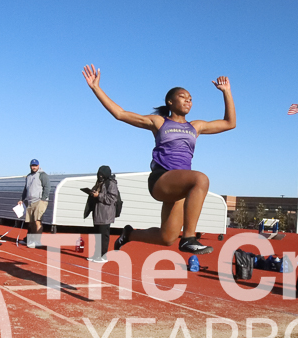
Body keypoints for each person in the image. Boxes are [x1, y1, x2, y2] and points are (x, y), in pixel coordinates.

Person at [82, 64, 235, 255]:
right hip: (161, 179)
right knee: (201, 179)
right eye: (183, 96)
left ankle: (128, 235)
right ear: (170, 102)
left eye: (191, 99)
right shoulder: (159, 122)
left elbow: (230, 123)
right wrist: (96, 87)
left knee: (167, 237)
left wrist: (226, 92)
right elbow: (120, 114)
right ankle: (188, 237)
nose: (188, 100)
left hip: (179, 185)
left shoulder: (196, 126)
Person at [85, 165, 121, 263]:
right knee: (97, 236)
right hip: (97, 212)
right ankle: (97, 255)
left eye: (102, 174)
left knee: (103, 236)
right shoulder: (100, 183)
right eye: (99, 174)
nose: (100, 176)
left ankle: (103, 256)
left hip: (105, 214)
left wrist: (98, 195)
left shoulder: (111, 184)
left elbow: (112, 198)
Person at [18, 160, 50, 247]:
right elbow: (26, 189)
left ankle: (37, 241)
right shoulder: (28, 176)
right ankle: (29, 239)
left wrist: (43, 199)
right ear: (30, 166)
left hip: (40, 201)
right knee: (30, 221)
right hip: (30, 201)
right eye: (32, 165)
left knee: (37, 221)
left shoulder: (42, 175)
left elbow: (47, 187)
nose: (34, 167)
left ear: (38, 166)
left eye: (35, 165)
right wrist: (22, 199)